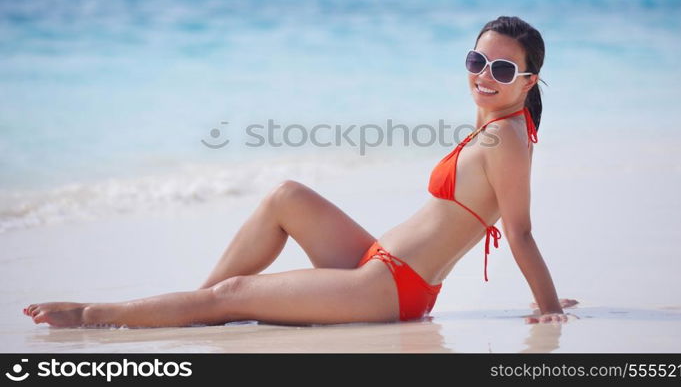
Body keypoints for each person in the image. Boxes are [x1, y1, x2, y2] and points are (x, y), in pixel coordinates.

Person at [23, 16, 577, 328]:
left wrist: (549, 309)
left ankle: (95, 313)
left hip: (390, 291)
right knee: (286, 196)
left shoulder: (507, 136)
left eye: (502, 68)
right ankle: (196, 306)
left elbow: (519, 230)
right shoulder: (491, 121)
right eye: (476, 61)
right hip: (377, 264)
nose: (484, 74)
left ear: (528, 82)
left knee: (237, 291)